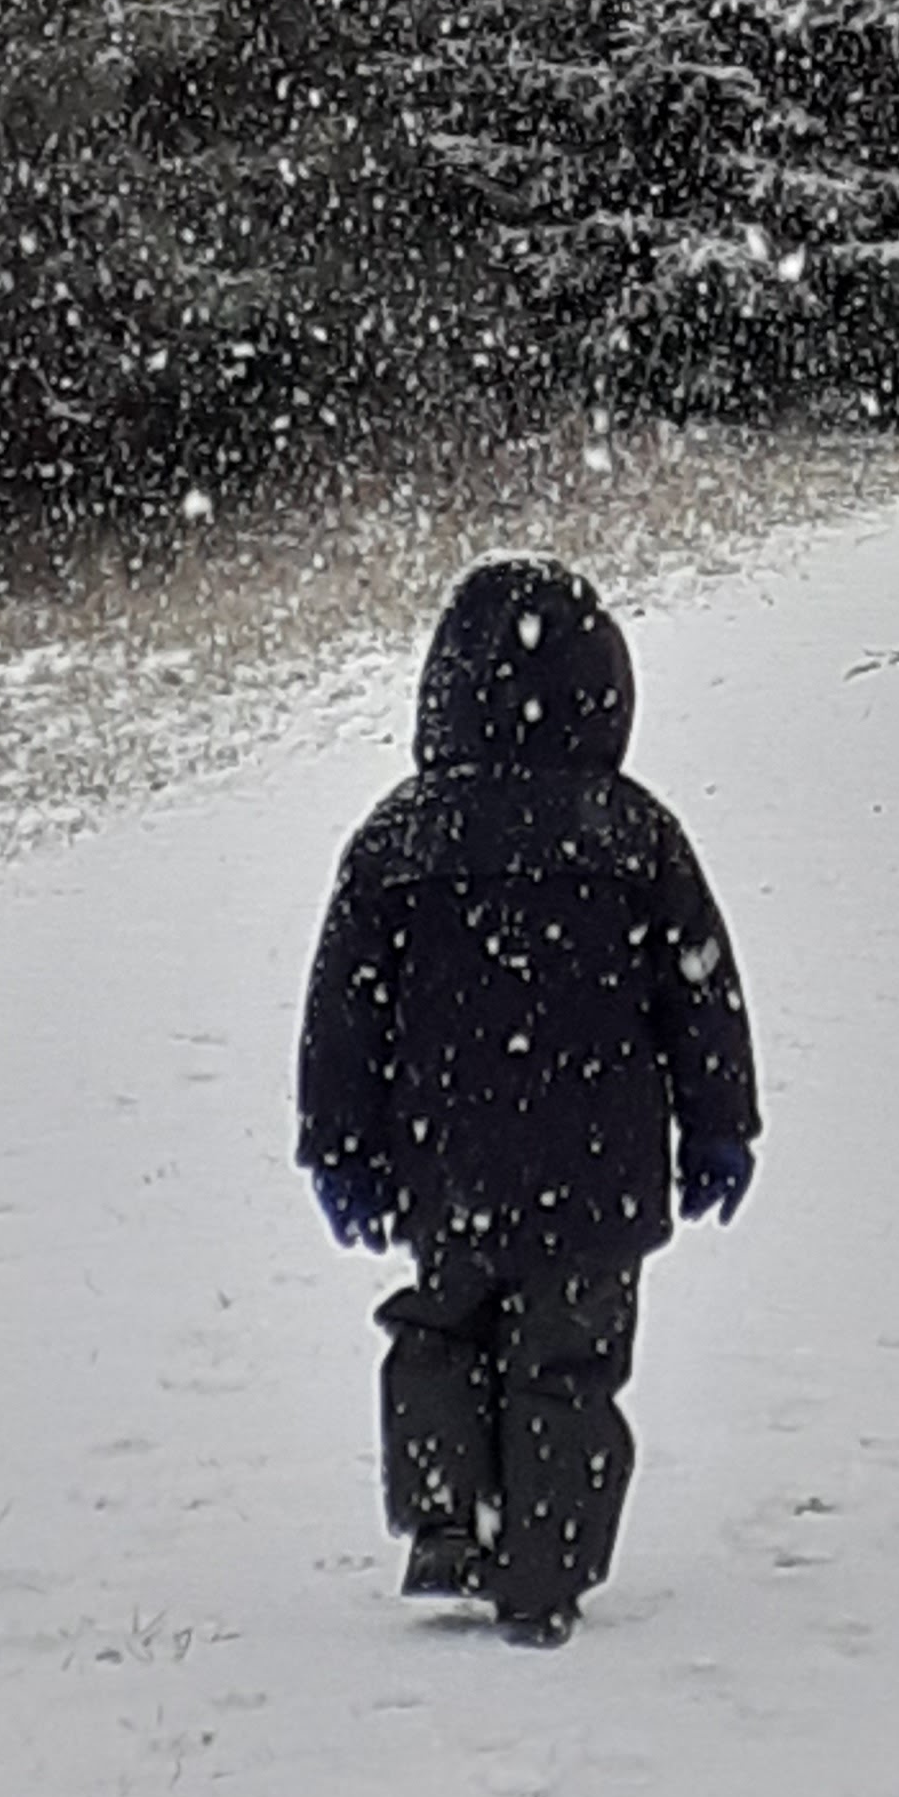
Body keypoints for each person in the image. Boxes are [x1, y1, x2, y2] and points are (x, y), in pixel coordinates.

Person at [295, 556, 760, 1646]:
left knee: (442, 1333)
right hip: (598, 1164)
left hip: (446, 1157)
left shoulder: (400, 840)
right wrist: (719, 1127)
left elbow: (345, 1011)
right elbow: (699, 994)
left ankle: (449, 1519)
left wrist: (340, 1146)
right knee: (567, 1363)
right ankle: (544, 1570)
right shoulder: (632, 834)